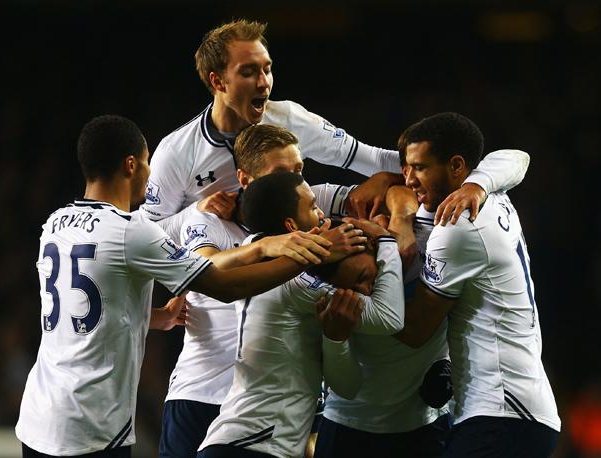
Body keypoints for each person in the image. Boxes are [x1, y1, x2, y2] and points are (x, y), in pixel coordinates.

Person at [14, 115, 337, 458]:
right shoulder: (131, 231)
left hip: (37, 416)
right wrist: (287, 253)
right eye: (147, 162)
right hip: (91, 423)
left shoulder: (55, 223)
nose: (150, 173)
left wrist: (154, 317)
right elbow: (224, 287)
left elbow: (81, 309)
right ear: (131, 164)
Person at [140, 19, 493, 238]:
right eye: (249, 72)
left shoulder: (290, 119)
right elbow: (145, 235)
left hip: (292, 274)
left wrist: (476, 180)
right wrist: (196, 213)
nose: (264, 83)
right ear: (217, 81)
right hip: (224, 292)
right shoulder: (177, 151)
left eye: (267, 69)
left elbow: (376, 160)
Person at [159, 124, 365, 457]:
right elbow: (203, 269)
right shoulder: (209, 219)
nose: (297, 179)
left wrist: (397, 222)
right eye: (282, 172)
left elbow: (384, 187)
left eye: (299, 169)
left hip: (274, 396)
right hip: (203, 393)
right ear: (244, 179)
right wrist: (265, 247)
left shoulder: (311, 209)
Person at [313, 146, 532, 458]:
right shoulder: (334, 301)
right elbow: (347, 386)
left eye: (363, 274)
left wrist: (472, 187)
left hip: (424, 426)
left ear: (370, 239)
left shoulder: (424, 239)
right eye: (353, 285)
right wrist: (334, 341)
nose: (365, 288)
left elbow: (515, 157)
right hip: (347, 425)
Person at [387, 112, 560, 457]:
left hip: (503, 413)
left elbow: (415, 328)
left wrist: (358, 293)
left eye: (419, 168)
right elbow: (514, 157)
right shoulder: (491, 193)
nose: (409, 179)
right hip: (514, 410)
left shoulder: (456, 227)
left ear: (455, 166)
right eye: (407, 168)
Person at [197, 172, 405, 458]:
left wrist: (335, 340)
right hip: (252, 445)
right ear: (291, 225)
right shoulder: (293, 280)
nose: (322, 215)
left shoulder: (266, 258)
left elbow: (347, 387)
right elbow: (389, 318)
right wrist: (387, 242)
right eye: (312, 207)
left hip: (252, 445)